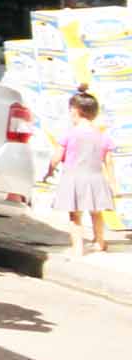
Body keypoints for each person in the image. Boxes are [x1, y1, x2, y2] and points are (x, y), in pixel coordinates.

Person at [47, 90, 116, 258]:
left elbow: (57, 156)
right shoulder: (102, 136)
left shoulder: (70, 134)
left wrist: (49, 170)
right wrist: (113, 182)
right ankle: (99, 242)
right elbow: (108, 161)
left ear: (74, 111)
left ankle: (77, 248)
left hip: (74, 178)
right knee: (96, 211)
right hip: (96, 177)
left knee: (75, 215)